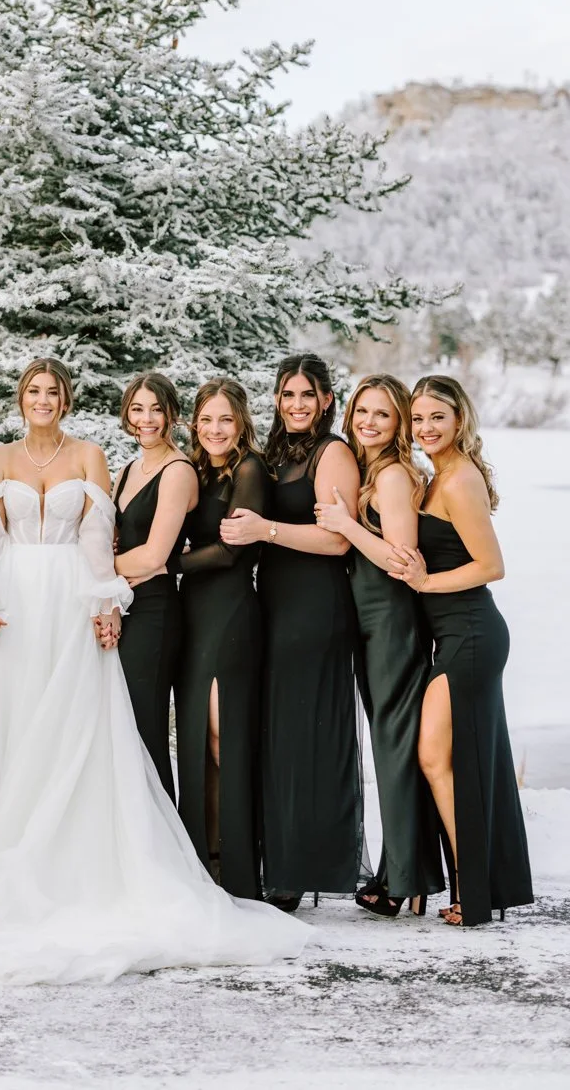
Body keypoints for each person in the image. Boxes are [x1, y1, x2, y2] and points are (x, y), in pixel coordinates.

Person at [0, 357, 308, 983]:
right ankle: (6, 866)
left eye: (53, 392)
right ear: (20, 398)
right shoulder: (0, 460)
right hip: (18, 604)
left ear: (67, 399)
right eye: (33, 391)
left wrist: (101, 596)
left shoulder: (99, 458)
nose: (42, 400)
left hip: (83, 601)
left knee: (92, 728)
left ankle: (144, 861)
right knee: (17, 725)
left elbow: (102, 539)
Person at [388, 375, 533, 927]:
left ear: (459, 420)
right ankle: (477, 888)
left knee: (436, 758)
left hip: (471, 634)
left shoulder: (459, 480)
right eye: (418, 419)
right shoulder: (436, 476)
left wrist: (425, 584)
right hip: (453, 635)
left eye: (437, 418)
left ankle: (473, 892)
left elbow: (491, 566)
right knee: (457, 762)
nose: (426, 428)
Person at [221, 353, 363, 910]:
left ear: (326, 400)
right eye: (288, 395)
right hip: (274, 603)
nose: (297, 404)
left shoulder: (333, 454)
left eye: (308, 395)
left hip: (316, 605)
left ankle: (301, 867)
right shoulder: (276, 454)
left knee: (306, 732)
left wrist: (267, 530)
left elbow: (337, 540)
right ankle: (275, 858)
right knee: (278, 732)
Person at [315, 373, 443, 915]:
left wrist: (346, 525)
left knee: (393, 748)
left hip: (392, 620)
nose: (368, 422)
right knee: (392, 747)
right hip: (369, 621)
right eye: (362, 411)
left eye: (382, 414)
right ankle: (405, 871)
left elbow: (400, 559)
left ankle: (405, 880)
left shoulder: (391, 475)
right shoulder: (367, 470)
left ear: (398, 425)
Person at [171, 379, 268, 899]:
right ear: (194, 424)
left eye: (225, 419)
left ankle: (239, 864)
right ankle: (204, 858)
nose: (215, 429)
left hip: (229, 610)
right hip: (193, 610)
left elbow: (232, 552)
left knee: (220, 735)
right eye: (206, 419)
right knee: (198, 739)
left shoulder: (249, 469)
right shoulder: (198, 470)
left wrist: (169, 564)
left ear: (241, 422)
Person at [112, 372, 198, 797]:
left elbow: (153, 556)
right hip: (122, 604)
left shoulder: (178, 471)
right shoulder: (128, 470)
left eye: (156, 410)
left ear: (171, 415)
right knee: (120, 727)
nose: (146, 419)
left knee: (144, 728)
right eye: (137, 409)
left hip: (154, 611)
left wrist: (98, 569)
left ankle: (160, 828)